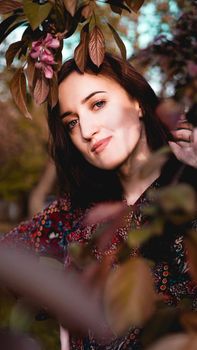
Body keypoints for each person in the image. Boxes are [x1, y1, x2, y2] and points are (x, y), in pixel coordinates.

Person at [1, 53, 197, 349]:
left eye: (98, 104)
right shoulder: (76, 211)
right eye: (71, 122)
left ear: (137, 102)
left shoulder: (187, 183)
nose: (86, 131)